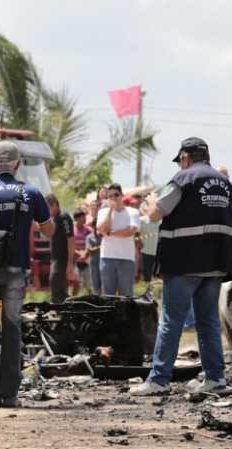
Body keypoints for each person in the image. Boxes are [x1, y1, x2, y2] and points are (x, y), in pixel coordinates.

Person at [130, 137, 230, 396]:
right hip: (216, 263)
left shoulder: (184, 178)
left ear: (185, 158)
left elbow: (155, 213)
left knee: (171, 320)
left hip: (186, 262)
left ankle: (159, 380)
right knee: (207, 321)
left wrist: (151, 199)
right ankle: (216, 379)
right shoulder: (225, 183)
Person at [0, 141, 54, 408]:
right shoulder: (30, 193)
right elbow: (48, 231)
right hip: (15, 268)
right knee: (12, 328)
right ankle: (11, 395)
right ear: (18, 165)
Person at [96, 183, 140, 297]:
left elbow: (129, 232)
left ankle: (127, 315)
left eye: (116, 194)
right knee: (107, 295)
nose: (113, 198)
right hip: (107, 258)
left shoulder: (132, 212)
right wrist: (110, 210)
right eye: (110, 196)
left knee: (127, 295)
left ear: (122, 195)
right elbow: (100, 230)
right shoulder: (103, 212)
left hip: (126, 258)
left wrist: (109, 233)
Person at [44, 194, 74, 303]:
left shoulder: (63, 217)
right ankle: (64, 315)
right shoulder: (55, 219)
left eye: (47, 208)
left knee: (57, 291)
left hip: (62, 260)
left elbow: (71, 240)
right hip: (56, 260)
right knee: (58, 290)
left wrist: (70, 264)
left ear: (55, 205)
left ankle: (70, 311)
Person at [72, 209, 92, 295]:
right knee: (76, 284)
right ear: (77, 218)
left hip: (87, 261)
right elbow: (69, 245)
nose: (84, 219)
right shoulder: (72, 230)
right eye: (82, 217)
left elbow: (92, 243)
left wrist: (85, 253)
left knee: (90, 285)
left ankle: (93, 303)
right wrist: (79, 253)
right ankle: (72, 302)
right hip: (76, 261)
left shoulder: (89, 230)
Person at [85, 219, 102, 295]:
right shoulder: (89, 237)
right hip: (94, 263)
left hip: (103, 262)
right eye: (94, 225)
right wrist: (101, 247)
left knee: (103, 283)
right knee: (94, 283)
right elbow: (89, 250)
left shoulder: (104, 236)